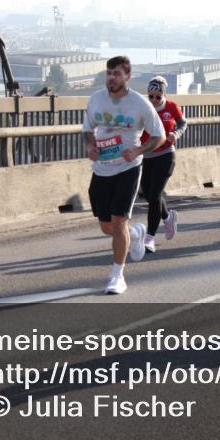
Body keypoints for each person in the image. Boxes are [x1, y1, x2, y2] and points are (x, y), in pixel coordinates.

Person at [83, 56, 166, 294]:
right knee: (106, 225)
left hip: (128, 169)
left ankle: (117, 275)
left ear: (127, 77)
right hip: (102, 170)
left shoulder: (139, 104)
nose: (111, 77)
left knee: (118, 222)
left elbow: (158, 135)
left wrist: (139, 150)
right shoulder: (96, 99)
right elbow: (88, 129)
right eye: (109, 73)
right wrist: (91, 146)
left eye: (116, 73)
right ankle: (136, 233)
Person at [139, 76, 185, 253]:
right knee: (150, 195)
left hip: (166, 154)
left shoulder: (171, 107)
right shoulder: (144, 109)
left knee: (155, 195)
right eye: (150, 96)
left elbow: (182, 123)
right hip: (146, 155)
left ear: (164, 95)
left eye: (158, 96)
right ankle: (167, 217)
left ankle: (149, 237)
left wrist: (176, 133)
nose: (154, 100)